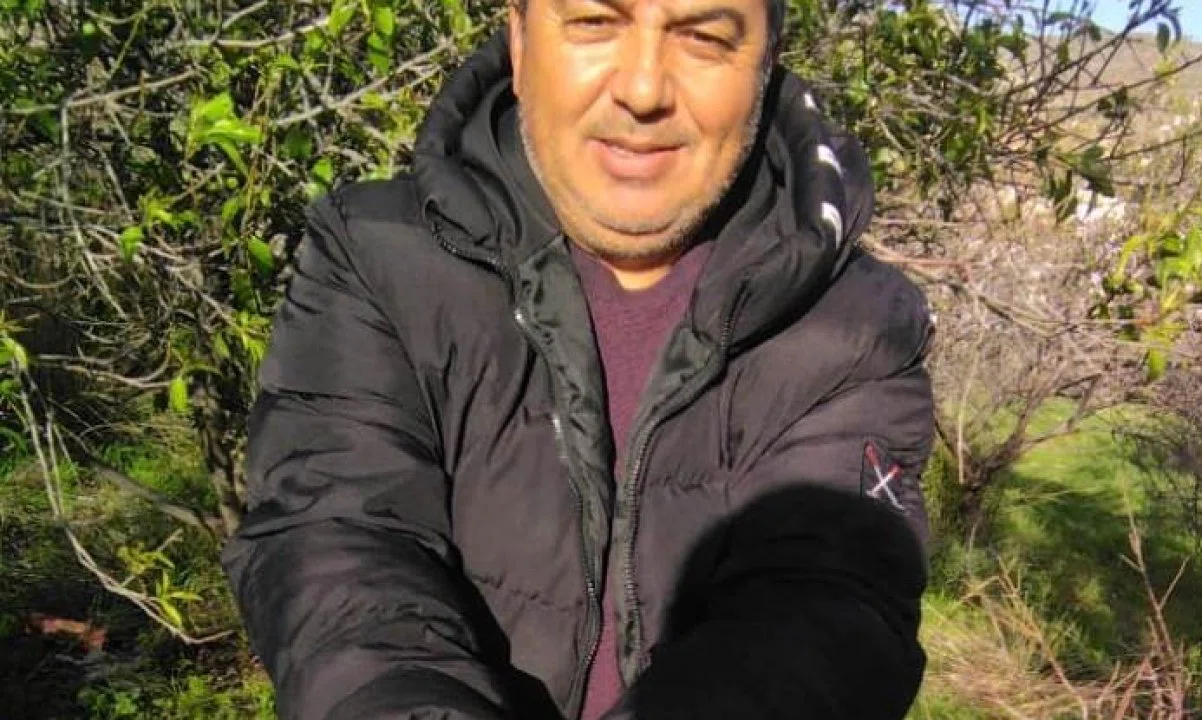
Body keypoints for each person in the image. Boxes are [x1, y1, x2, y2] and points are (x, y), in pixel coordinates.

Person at [221, 0, 936, 718]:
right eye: (595, 22)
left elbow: (823, 607)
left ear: (764, 67)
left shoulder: (852, 324)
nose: (644, 90)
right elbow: (340, 538)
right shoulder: (376, 256)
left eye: (704, 37)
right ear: (520, 40)